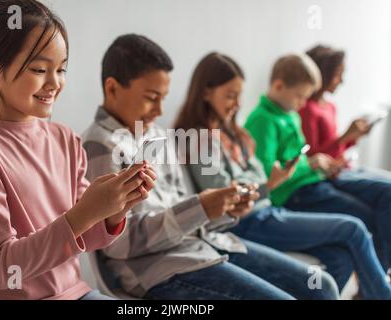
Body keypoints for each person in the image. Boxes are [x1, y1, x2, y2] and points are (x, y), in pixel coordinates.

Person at [82, 34, 340, 300]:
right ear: (112, 89)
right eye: (151, 97)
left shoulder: (156, 135)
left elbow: (183, 207)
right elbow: (120, 243)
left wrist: (223, 209)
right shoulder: (102, 146)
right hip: (160, 270)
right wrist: (202, 208)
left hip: (203, 245)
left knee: (323, 286)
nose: (160, 110)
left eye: (164, 98)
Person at [0, 0, 155, 300]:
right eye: (40, 69)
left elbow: (85, 234)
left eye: (61, 69)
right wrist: (84, 213)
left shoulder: (65, 139)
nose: (54, 82)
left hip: (75, 292)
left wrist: (115, 209)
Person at [174, 52, 391, 299]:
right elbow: (227, 193)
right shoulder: (199, 140)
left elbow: (255, 172)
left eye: (239, 96)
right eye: (230, 96)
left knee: (339, 256)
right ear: (205, 93)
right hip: (248, 221)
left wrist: (260, 182)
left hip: (267, 211)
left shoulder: (230, 133)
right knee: (353, 227)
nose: (237, 104)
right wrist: (265, 185)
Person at [245, 53, 391, 292]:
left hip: (315, 182)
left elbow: (298, 156)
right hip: (295, 193)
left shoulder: (289, 114)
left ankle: (368, 289)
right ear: (278, 85)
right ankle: (378, 291)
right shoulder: (263, 120)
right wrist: (310, 163)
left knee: (381, 199)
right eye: (299, 96)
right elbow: (269, 174)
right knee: (363, 219)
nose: (303, 103)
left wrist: (318, 163)